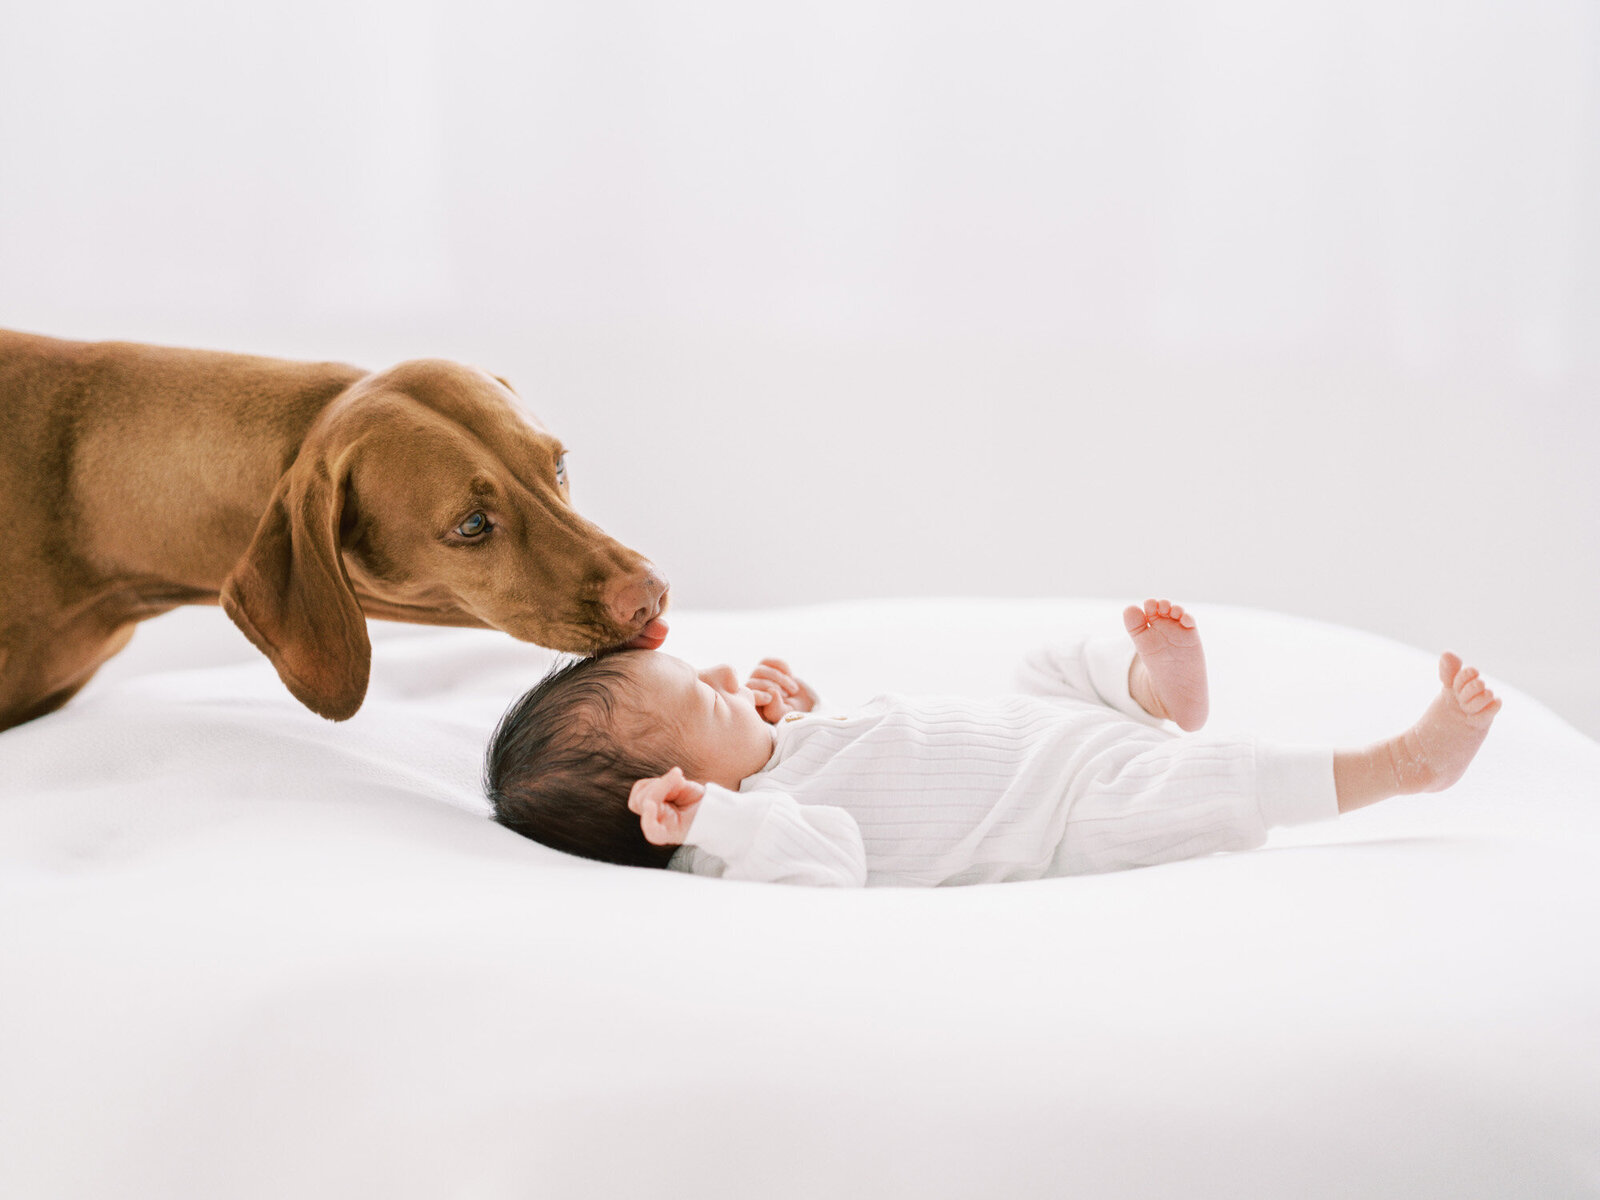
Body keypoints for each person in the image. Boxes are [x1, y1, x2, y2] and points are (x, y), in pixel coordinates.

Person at [483, 600, 1500, 886]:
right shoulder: (759, 832)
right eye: (706, 709)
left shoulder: (772, 755)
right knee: (1195, 783)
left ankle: (1150, 685)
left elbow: (860, 749)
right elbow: (828, 855)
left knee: (1045, 665)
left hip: (1046, 733)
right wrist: (727, 822)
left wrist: (788, 711)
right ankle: (1399, 765)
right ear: (675, 799)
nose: (721, 683)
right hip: (1067, 809)